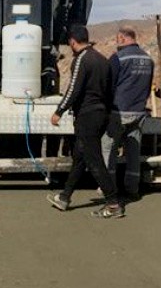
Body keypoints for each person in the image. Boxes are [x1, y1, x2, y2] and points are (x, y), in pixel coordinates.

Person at [47, 24, 123, 219]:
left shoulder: (82, 59)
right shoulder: (103, 60)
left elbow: (74, 89)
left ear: (73, 42)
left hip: (87, 116)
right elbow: (110, 91)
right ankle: (64, 197)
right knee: (80, 157)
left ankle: (113, 203)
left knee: (94, 159)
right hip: (101, 114)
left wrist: (59, 111)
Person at [102, 26, 153, 202]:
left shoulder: (118, 58)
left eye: (117, 39)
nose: (116, 43)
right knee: (133, 152)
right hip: (139, 111)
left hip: (119, 111)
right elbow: (148, 86)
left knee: (108, 149)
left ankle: (109, 189)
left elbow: (108, 85)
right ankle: (132, 189)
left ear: (123, 38)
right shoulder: (148, 59)